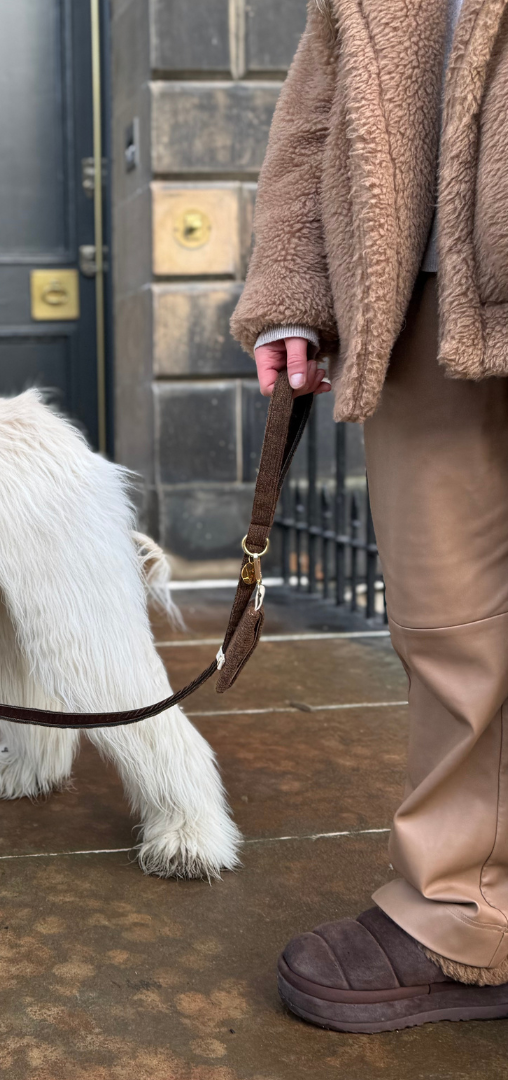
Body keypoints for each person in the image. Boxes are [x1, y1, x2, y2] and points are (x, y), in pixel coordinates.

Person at [231, 0, 508, 1032]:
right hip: (423, 293)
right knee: (447, 623)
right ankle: (462, 911)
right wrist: (293, 287)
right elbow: (322, 101)